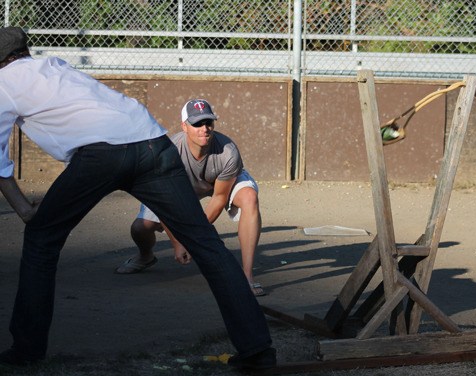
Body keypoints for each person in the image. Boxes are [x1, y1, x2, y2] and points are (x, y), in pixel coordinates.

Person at [0, 27, 275, 369]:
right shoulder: (54, 64)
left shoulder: (2, 85)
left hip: (101, 154)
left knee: (42, 239)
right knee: (207, 244)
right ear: (24, 51)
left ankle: (26, 351)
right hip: (152, 141)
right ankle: (258, 351)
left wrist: (25, 208)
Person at [115, 98, 266, 297]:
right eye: (197, 124)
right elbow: (163, 204)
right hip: (179, 187)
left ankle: (246, 277)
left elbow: (219, 198)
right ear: (184, 127)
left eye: (208, 122)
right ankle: (145, 256)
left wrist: (193, 238)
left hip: (216, 183)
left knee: (249, 197)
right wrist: (178, 242)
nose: (204, 128)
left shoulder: (228, 151)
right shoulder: (169, 152)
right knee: (140, 228)